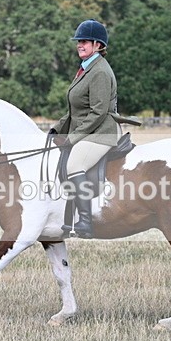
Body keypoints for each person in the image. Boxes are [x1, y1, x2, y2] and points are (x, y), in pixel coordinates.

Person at [51, 19, 123, 238]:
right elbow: (75, 110)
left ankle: (84, 222)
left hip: (102, 132)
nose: (79, 45)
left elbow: (98, 112)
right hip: (90, 129)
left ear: (98, 45)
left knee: (74, 165)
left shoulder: (99, 71)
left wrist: (71, 138)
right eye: (78, 41)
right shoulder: (86, 68)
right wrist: (56, 129)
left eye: (84, 41)